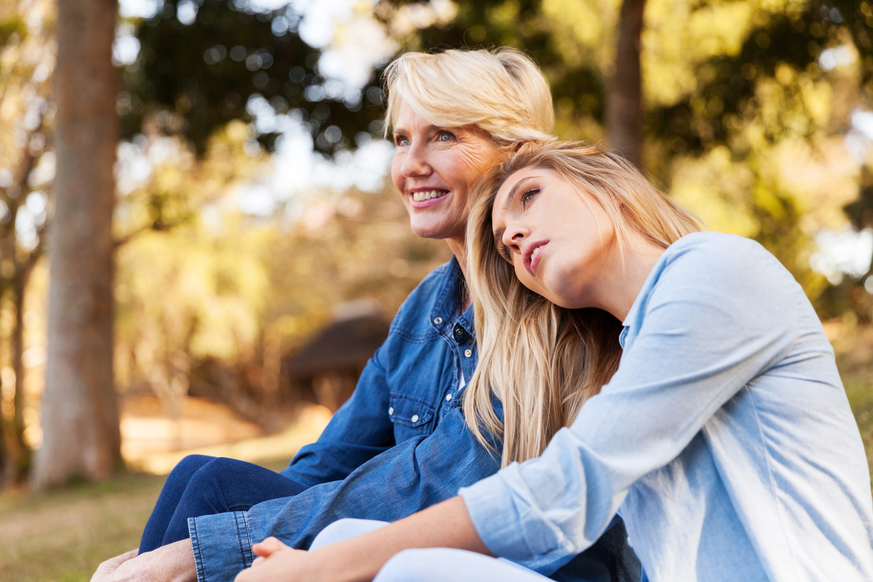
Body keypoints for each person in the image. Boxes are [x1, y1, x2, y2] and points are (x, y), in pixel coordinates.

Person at [92, 54, 640, 582]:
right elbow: (329, 460)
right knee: (206, 480)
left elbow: (441, 479)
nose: (411, 164)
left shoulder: (546, 298)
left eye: (443, 135)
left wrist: (212, 545)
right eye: (402, 140)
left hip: (531, 566)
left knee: (214, 496)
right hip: (424, 552)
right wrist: (204, 542)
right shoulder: (427, 308)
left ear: (514, 150)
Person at [233, 141, 873, 582]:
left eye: (530, 196)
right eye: (503, 246)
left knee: (392, 566)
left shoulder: (715, 271)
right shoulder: (624, 357)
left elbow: (563, 492)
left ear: (606, 183)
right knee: (350, 546)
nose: (511, 234)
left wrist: (313, 568)